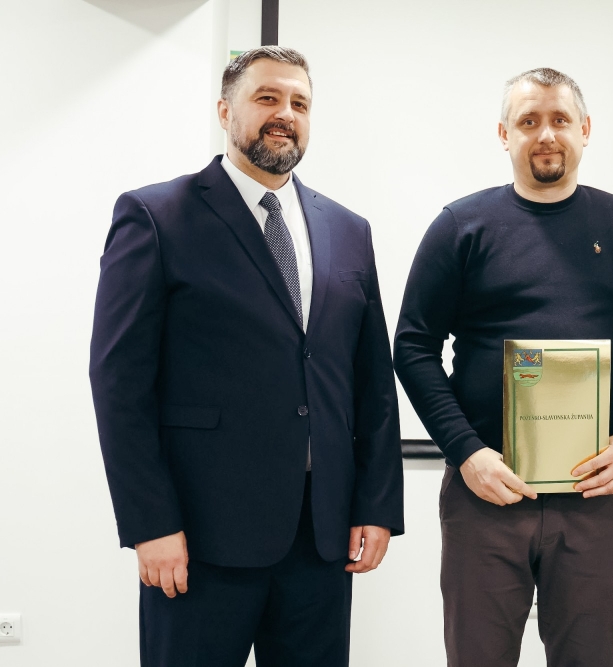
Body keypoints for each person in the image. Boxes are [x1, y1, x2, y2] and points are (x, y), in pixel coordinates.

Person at [89, 46, 403, 667]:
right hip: (199, 538)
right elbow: (119, 382)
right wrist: (150, 522)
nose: (285, 113)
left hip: (320, 537)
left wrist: (376, 505)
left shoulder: (349, 229)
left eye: (299, 103)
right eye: (267, 98)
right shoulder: (157, 217)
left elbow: (370, 381)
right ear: (224, 111)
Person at [393, 68, 613, 667]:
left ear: (585, 129)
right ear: (504, 133)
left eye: (560, 119)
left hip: (591, 495)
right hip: (485, 494)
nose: (546, 134)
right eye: (528, 121)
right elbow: (413, 347)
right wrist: (465, 451)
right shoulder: (460, 227)